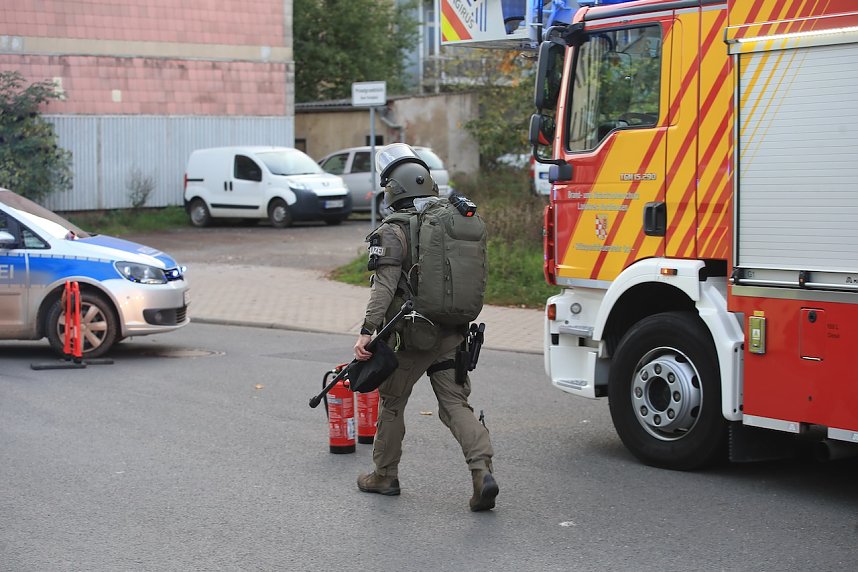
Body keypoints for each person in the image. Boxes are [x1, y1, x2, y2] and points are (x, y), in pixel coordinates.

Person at [352, 143, 498, 512]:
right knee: (454, 404)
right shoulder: (450, 222)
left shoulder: (393, 231)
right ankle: (482, 472)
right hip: (453, 332)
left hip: (410, 337)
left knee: (392, 403)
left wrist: (368, 330)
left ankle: (384, 475)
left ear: (392, 190)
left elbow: (384, 286)